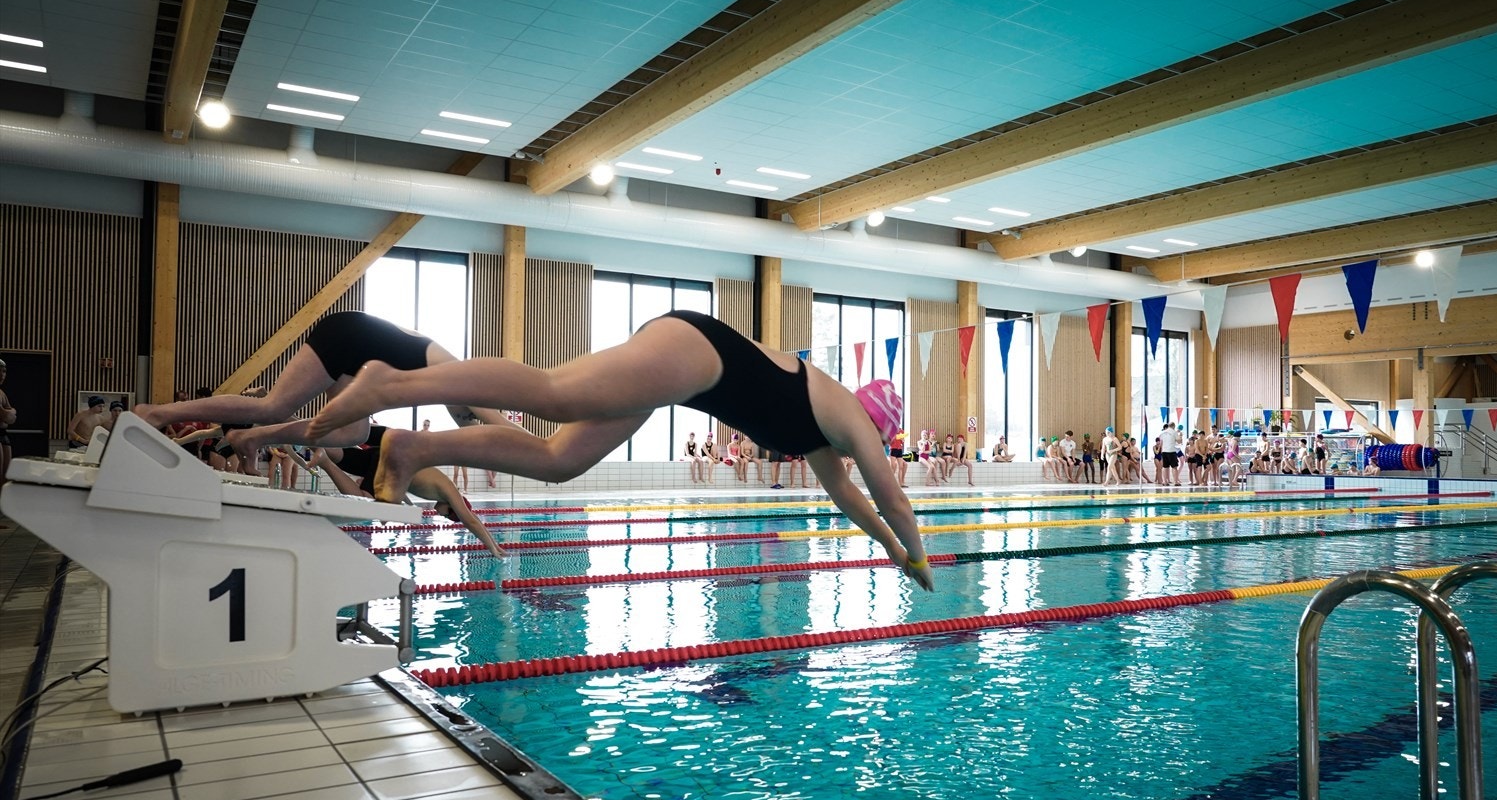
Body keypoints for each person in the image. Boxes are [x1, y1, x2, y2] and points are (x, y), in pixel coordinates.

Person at [305, 309, 933, 589]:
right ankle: (395, 383)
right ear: (880, 424)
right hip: (696, 351)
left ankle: (413, 447)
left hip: (691, 374)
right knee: (553, 393)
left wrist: (889, 551)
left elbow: (849, 497)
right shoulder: (850, 417)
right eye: (883, 441)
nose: (879, 449)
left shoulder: (824, 435)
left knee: (559, 461)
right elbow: (891, 497)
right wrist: (919, 552)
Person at [132, 311, 513, 471]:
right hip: (351, 337)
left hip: (364, 357)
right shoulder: (467, 380)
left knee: (353, 433)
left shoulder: (459, 396)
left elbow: (481, 437)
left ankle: (253, 437)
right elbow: (508, 434)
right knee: (273, 405)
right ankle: (158, 413)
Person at [307, 427, 504, 558]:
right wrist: (493, 547)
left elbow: (403, 484)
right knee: (365, 505)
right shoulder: (450, 491)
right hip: (389, 459)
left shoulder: (436, 490)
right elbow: (471, 520)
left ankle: (290, 429)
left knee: (339, 454)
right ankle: (324, 462)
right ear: (452, 509)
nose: (440, 515)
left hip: (385, 454)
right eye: (447, 515)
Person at [0, 358, 15, 485]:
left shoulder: (2, 393)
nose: (2, 375)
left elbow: (11, 418)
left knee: (6, 476)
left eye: (4, 371)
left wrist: (9, 414)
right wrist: (9, 413)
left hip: (3, 434)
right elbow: (6, 415)